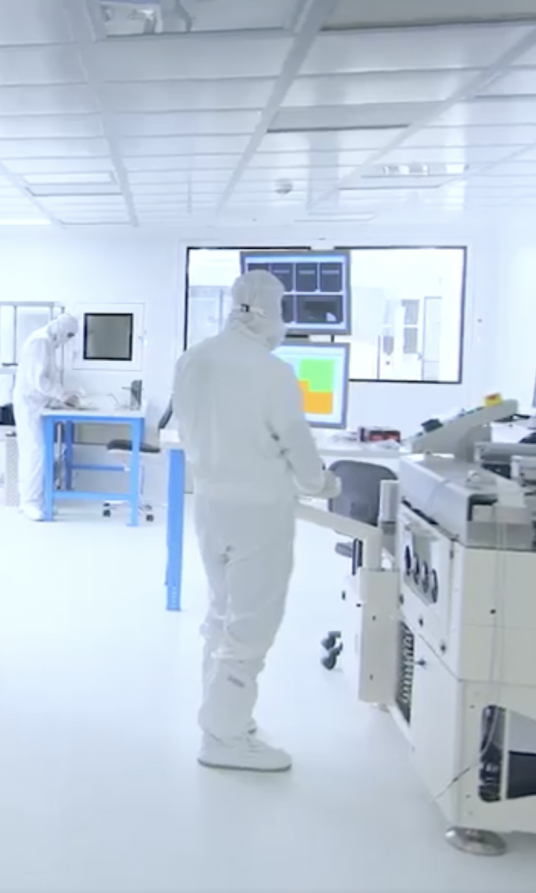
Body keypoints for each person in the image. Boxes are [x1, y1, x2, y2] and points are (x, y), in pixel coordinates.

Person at [172, 271, 341, 773]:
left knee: (221, 614)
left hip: (210, 504)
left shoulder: (193, 358)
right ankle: (223, 736)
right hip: (259, 512)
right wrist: (322, 483)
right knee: (251, 625)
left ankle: (224, 717)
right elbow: (297, 444)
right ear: (268, 310)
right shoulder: (272, 371)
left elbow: (190, 428)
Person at [13, 313, 81, 521]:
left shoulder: (47, 342)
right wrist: (61, 395)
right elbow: (38, 380)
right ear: (61, 329)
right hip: (29, 405)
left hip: (37, 404)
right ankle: (29, 503)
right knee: (34, 453)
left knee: (37, 453)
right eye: (69, 335)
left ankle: (40, 501)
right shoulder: (40, 342)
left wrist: (58, 399)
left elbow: (44, 378)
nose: (67, 340)